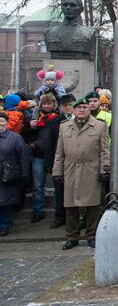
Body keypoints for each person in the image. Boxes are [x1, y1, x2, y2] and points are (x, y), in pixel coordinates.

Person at [52, 95, 110, 249]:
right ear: (74, 109)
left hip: (91, 168)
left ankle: (91, 235)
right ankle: (72, 237)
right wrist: (57, 171)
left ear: (89, 109)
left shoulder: (99, 125)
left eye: (85, 107)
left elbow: (105, 150)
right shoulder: (64, 126)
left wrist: (105, 169)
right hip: (70, 168)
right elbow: (59, 152)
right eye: (79, 107)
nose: (82, 110)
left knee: (93, 205)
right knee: (70, 205)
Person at [27, 93, 63, 223]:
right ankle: (38, 211)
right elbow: (27, 135)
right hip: (38, 154)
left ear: (54, 105)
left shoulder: (59, 118)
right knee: (38, 186)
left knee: (58, 185)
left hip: (54, 156)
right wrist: (31, 127)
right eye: (45, 103)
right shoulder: (35, 117)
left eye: (49, 103)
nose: (47, 106)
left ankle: (58, 212)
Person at [0, 111, 30, 236]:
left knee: (5, 201)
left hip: (8, 174)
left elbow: (23, 157)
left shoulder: (15, 138)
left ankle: (4, 225)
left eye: (1, 121)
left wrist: (24, 174)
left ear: (7, 123)